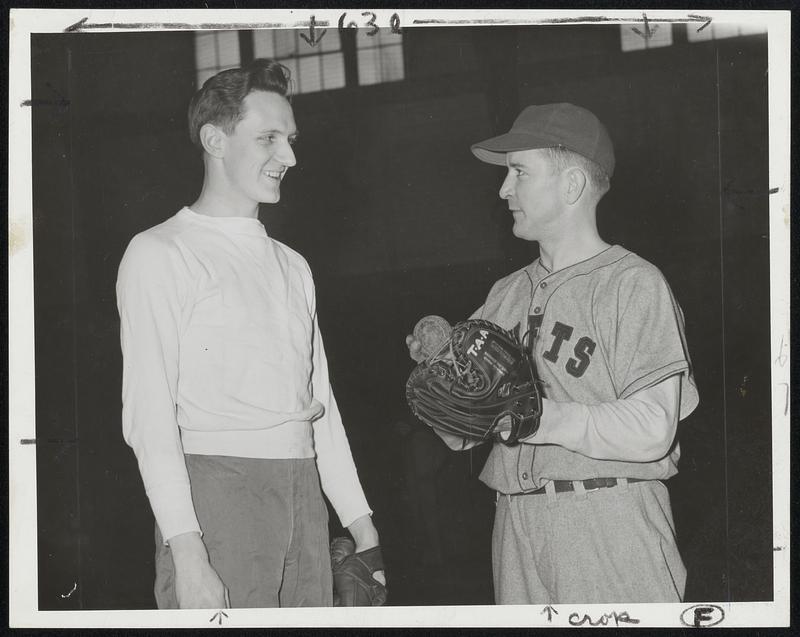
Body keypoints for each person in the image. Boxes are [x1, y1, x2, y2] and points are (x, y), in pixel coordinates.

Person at [406, 103, 699, 604]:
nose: (503, 189)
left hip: (608, 519)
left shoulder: (632, 284)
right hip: (514, 525)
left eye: (519, 172)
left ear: (570, 186)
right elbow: (462, 434)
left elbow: (653, 428)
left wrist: (534, 418)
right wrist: (441, 384)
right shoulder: (505, 294)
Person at [117, 59, 383, 609]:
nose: (288, 156)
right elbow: (149, 418)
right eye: (268, 138)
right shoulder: (160, 252)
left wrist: (364, 528)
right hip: (217, 497)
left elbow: (319, 406)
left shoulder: (293, 265)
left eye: (289, 139)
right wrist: (189, 555)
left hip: (304, 494)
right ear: (215, 139)